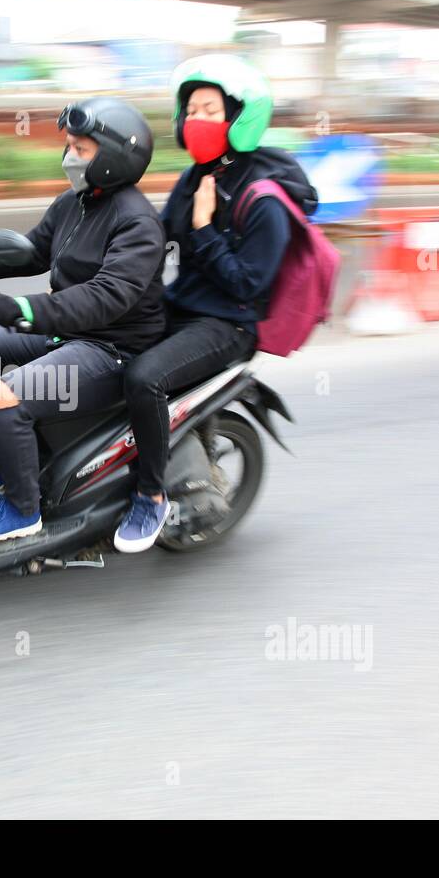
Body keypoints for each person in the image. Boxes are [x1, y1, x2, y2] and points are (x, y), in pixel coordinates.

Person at [112, 54, 319, 553]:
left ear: (240, 116)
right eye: (192, 110)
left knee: (144, 378)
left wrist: (205, 229)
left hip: (228, 324)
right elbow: (153, 239)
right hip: (181, 309)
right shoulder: (196, 177)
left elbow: (248, 283)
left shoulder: (264, 194)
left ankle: (151, 495)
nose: (196, 120)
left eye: (210, 109)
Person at [0, 97, 166, 541]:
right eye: (69, 146)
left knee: (1, 396)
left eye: (81, 149)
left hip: (110, 349)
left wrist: (21, 310)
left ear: (112, 158)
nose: (69, 157)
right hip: (67, 334)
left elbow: (103, 298)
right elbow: (28, 252)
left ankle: (22, 509)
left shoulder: (138, 223)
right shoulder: (75, 203)